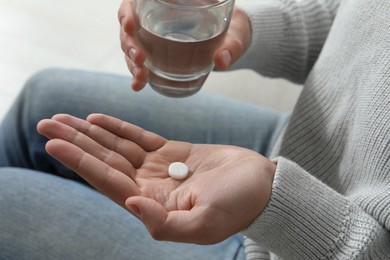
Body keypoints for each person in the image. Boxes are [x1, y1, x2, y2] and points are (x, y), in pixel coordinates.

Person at [0, 0, 389, 259]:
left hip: (307, 238)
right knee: (43, 96)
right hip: (302, 145)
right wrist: (240, 29)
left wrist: (274, 204)